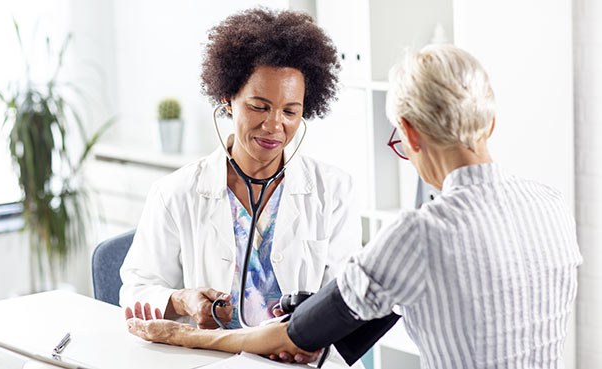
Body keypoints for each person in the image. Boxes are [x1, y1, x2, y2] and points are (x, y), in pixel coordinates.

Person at [125, 44, 582, 368]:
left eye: (290, 111)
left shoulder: (418, 233)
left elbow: (302, 333)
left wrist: (192, 336)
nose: (275, 124)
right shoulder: (552, 205)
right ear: (492, 122)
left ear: (410, 132)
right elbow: (361, 312)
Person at [119, 7, 361, 332]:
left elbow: (347, 298)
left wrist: (314, 336)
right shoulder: (175, 193)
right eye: (258, 106)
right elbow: (136, 288)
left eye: (290, 111)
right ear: (228, 99)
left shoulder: (333, 190)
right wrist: (182, 300)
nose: (274, 125)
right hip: (214, 357)